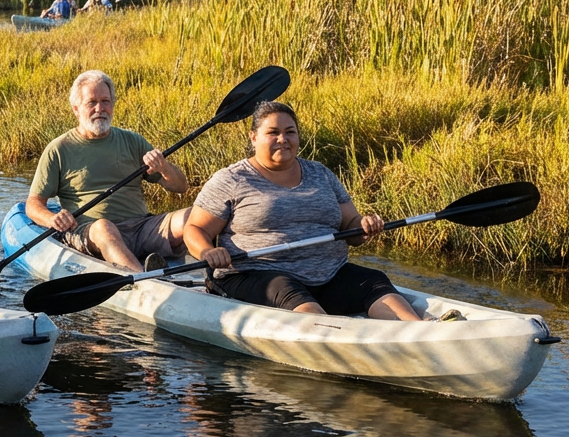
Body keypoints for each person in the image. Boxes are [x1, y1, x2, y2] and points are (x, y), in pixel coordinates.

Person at [183, 101, 426, 321]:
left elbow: (350, 224)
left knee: (373, 281)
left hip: (330, 272)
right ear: (254, 137)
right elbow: (194, 229)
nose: (283, 139)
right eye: (273, 133)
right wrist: (207, 251)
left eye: (290, 132)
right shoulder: (231, 179)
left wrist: (363, 227)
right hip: (257, 274)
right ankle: (332, 341)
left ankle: (419, 332)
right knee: (288, 290)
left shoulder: (320, 173)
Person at [27, 70, 190, 273]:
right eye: (91, 102)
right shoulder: (59, 149)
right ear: (76, 109)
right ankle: (145, 282)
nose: (100, 108)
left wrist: (164, 167)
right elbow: (33, 205)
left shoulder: (133, 141)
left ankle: (221, 274)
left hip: (142, 226)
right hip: (91, 232)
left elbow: (181, 187)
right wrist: (52, 219)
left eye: (105, 101)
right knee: (105, 228)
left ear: (112, 104)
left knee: (193, 216)